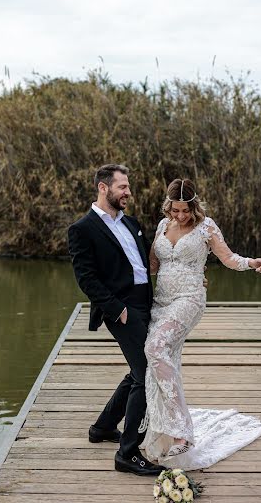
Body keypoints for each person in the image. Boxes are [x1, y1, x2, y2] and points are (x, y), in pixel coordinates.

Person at [141, 178, 261, 470]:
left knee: (155, 347)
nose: (181, 216)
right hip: (161, 302)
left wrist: (251, 262)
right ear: (169, 207)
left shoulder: (206, 227)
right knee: (163, 358)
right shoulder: (163, 226)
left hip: (189, 299)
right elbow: (151, 265)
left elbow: (228, 258)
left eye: (186, 210)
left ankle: (182, 433)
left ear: (194, 206)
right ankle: (167, 431)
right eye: (175, 210)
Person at [68, 164, 166, 476]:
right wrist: (118, 310)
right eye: (122, 187)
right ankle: (127, 453)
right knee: (147, 374)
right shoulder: (82, 229)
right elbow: (87, 279)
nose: (128, 192)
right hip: (121, 309)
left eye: (127, 187)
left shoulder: (132, 223)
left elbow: (144, 266)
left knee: (138, 370)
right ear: (103, 187)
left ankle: (102, 428)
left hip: (145, 304)